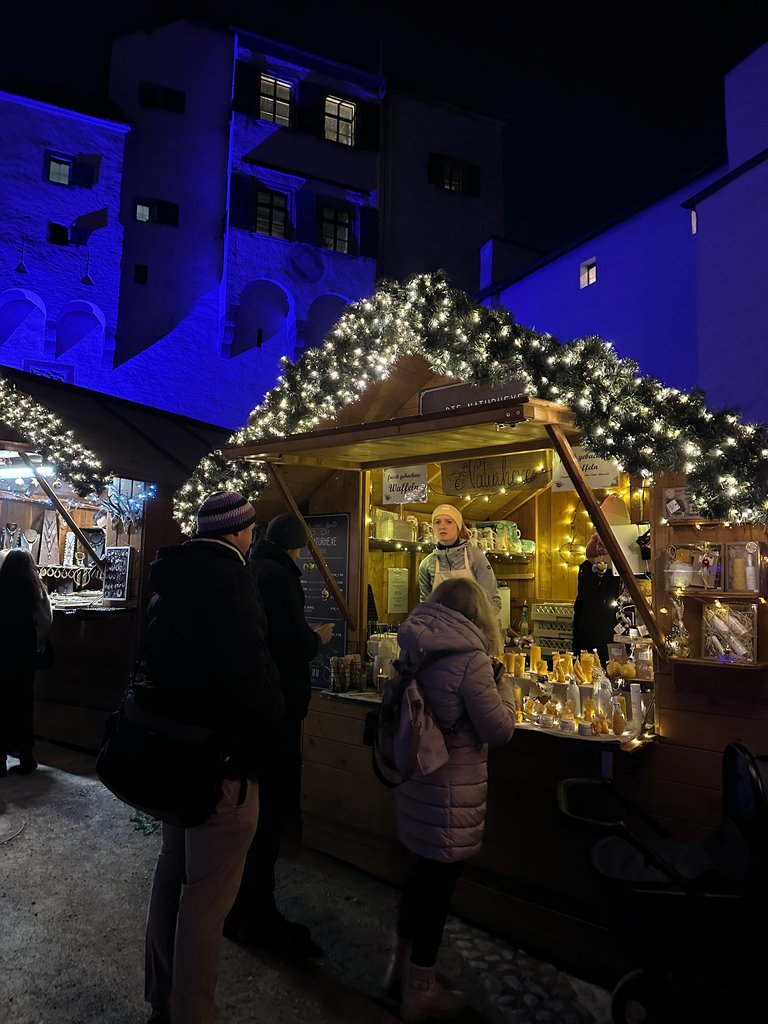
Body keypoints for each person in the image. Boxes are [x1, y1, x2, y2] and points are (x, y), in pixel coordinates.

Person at [142, 490, 285, 1024]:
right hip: (222, 763)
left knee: (172, 875)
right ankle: (193, 1014)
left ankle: (163, 1000)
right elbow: (251, 675)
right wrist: (271, 734)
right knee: (206, 901)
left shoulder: (172, 576)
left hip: (174, 755)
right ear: (240, 532)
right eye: (250, 529)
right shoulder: (231, 580)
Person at [386, 576, 516, 1022]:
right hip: (450, 793)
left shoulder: (414, 646)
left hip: (416, 782)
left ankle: (400, 970)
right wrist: (504, 685)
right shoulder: (472, 660)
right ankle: (421, 989)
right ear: (478, 613)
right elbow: (499, 729)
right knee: (437, 890)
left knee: (417, 880)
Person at [225, 512, 333, 958]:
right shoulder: (281, 578)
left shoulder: (252, 569)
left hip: (252, 707)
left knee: (253, 812)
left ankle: (236, 906)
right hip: (277, 707)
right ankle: (257, 913)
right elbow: (291, 643)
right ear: (297, 546)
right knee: (267, 816)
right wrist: (318, 639)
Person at [418, 504, 502, 652]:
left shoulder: (476, 558)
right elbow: (426, 607)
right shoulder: (426, 564)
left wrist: (475, 628)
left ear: (458, 527)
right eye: (437, 522)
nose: (442, 526)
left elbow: (493, 601)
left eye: (449, 522)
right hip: (441, 640)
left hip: (476, 638)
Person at [0, 548, 52, 777]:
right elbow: (45, 620)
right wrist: (39, 642)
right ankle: (26, 757)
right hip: (24, 655)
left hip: (2, 654)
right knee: (23, 704)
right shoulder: (35, 590)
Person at [572, 532, 622, 666]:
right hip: (586, 632)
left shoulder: (619, 569)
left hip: (611, 632)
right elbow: (580, 603)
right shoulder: (585, 568)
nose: (599, 562)